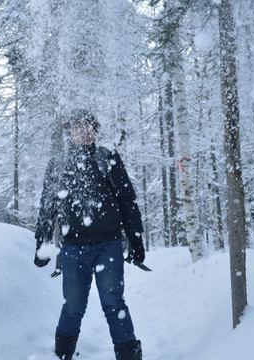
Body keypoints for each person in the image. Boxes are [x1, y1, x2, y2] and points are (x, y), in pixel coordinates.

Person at [34, 109, 146, 360]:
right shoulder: (58, 165)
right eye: (77, 127)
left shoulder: (108, 158)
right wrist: (41, 242)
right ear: (69, 133)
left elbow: (128, 202)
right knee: (73, 306)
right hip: (73, 248)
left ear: (94, 131)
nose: (83, 131)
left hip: (109, 245)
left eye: (88, 127)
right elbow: (48, 207)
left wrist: (136, 239)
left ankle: (128, 355)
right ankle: (62, 354)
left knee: (113, 302)